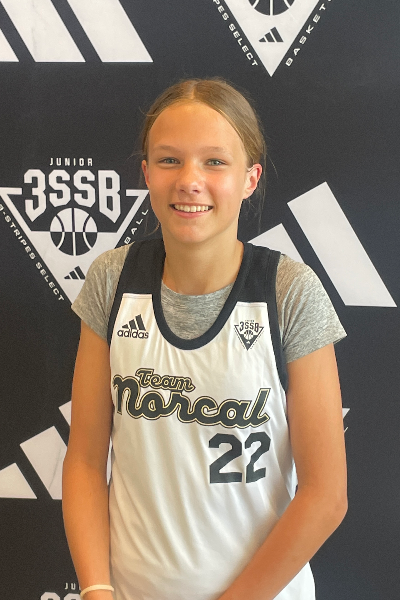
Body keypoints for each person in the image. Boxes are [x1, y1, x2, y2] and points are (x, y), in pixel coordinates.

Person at [62, 78, 347, 600]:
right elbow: (83, 459)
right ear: (147, 173)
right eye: (169, 160)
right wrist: (97, 590)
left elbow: (326, 495)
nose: (189, 180)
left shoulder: (289, 292)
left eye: (215, 162)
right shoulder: (112, 279)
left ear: (250, 178)